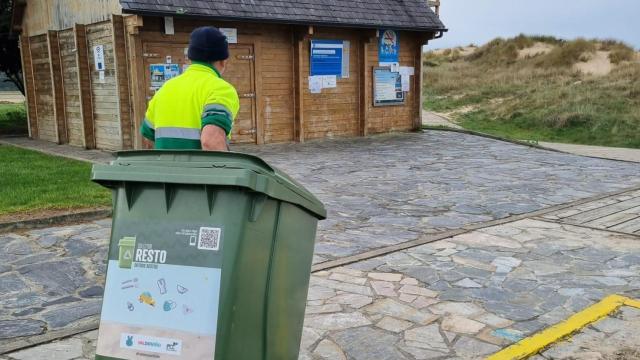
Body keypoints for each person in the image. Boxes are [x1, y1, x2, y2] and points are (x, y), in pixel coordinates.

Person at [140, 26, 240, 151]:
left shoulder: (166, 88)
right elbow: (211, 141)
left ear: (190, 58)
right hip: (200, 170)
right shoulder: (221, 89)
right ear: (224, 60)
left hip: (165, 169)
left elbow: (148, 136)